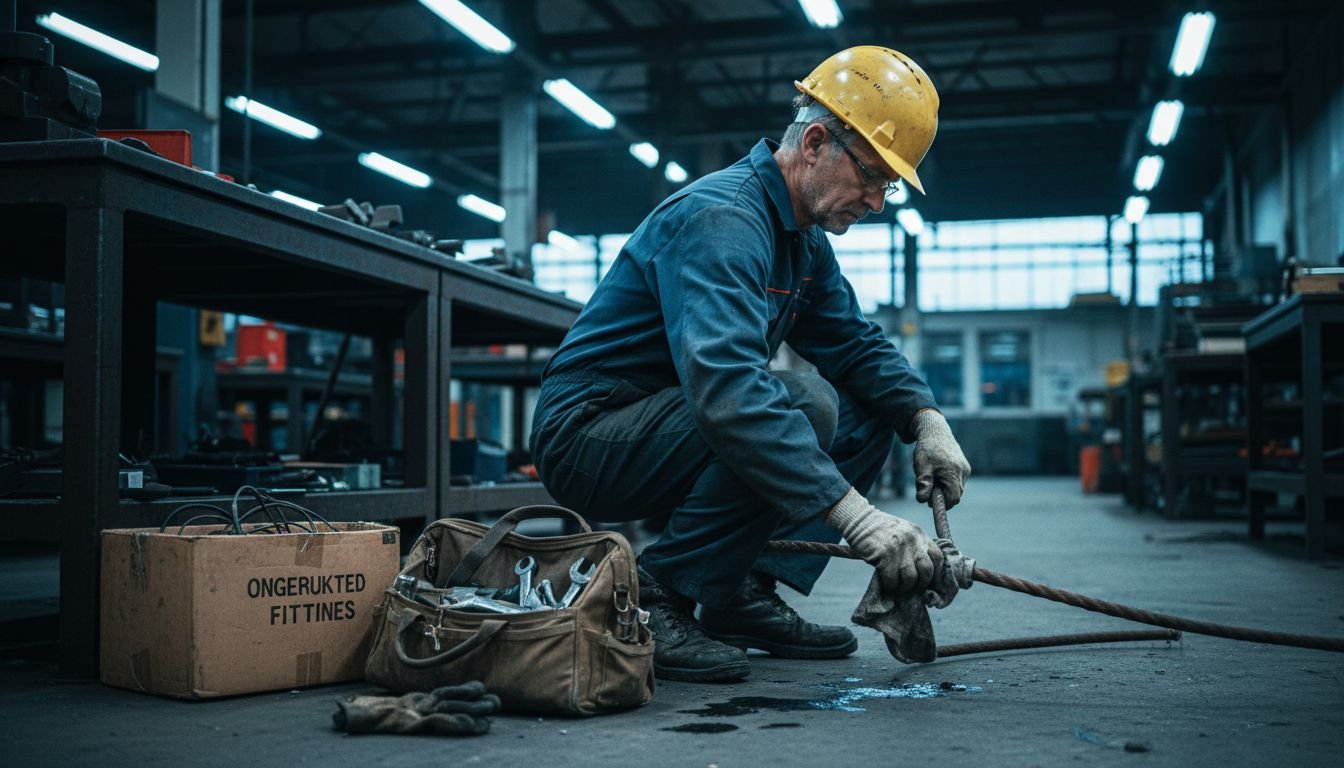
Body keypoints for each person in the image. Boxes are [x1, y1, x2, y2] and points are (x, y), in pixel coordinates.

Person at [529, 46, 971, 682]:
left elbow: (852, 341)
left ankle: (740, 593)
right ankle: (659, 597)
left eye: (889, 184)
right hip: (592, 434)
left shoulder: (801, 239)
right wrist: (856, 517)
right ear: (816, 142)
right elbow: (727, 389)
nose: (877, 200)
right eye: (872, 175)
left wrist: (925, 418)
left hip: (667, 425)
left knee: (865, 407)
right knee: (802, 402)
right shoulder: (724, 219)